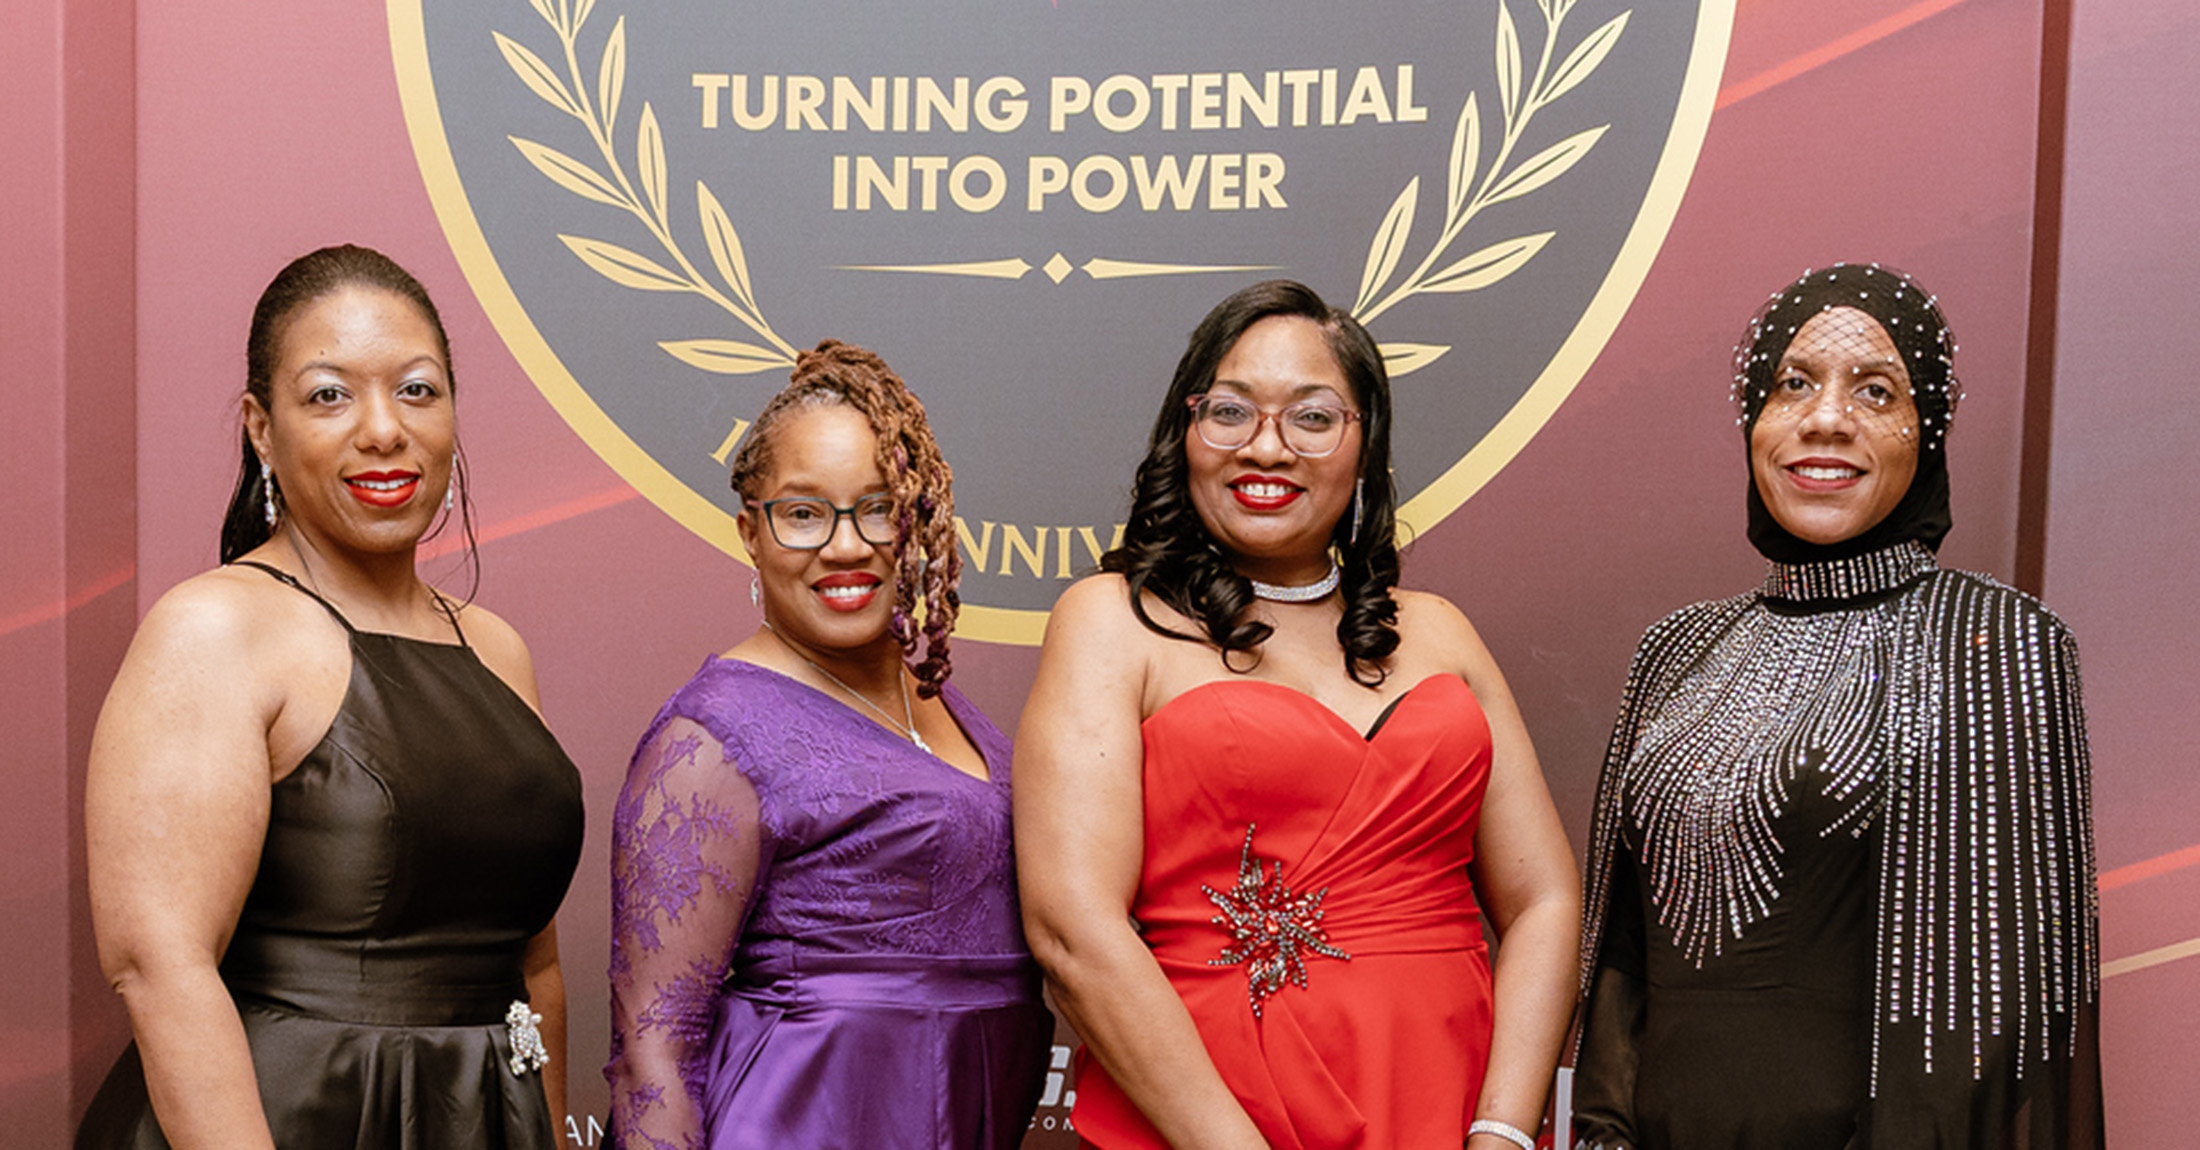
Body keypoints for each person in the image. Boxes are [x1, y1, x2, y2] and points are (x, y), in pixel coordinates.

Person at [1015, 280, 1581, 1150]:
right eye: (1231, 412)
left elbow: (1543, 897)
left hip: (1442, 1101)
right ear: (1186, 432)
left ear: (1365, 446)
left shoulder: (1441, 633)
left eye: (1312, 418)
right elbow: (1073, 929)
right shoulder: (1112, 621)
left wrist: (1502, 1130)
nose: (1267, 448)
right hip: (1208, 1121)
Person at [1571, 264, 2101, 1149]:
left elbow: (2008, 1008)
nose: (1825, 418)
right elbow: (1622, 950)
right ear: (1752, 420)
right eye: (1792, 384)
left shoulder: (1996, 641)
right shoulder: (1676, 649)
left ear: (1925, 432)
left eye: (1876, 390)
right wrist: (1601, 1134)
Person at [78, 244, 586, 1149]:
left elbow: (532, 959)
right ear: (260, 428)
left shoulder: (496, 648)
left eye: (418, 390)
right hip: (287, 1119)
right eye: (328, 394)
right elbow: (159, 965)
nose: (384, 429)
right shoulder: (216, 629)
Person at [604, 341, 1051, 1150]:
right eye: (803, 513)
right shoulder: (709, 738)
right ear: (751, 531)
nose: (845, 546)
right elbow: (651, 1053)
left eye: (876, 507)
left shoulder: (942, 701)